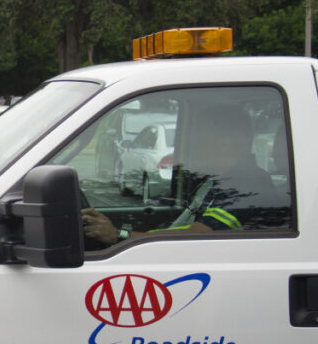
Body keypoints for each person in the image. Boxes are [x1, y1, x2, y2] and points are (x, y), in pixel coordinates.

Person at [82, 104, 282, 247]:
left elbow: (198, 237)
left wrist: (119, 235)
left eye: (198, 135)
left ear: (225, 141)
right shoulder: (219, 181)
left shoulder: (247, 184)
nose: (192, 144)